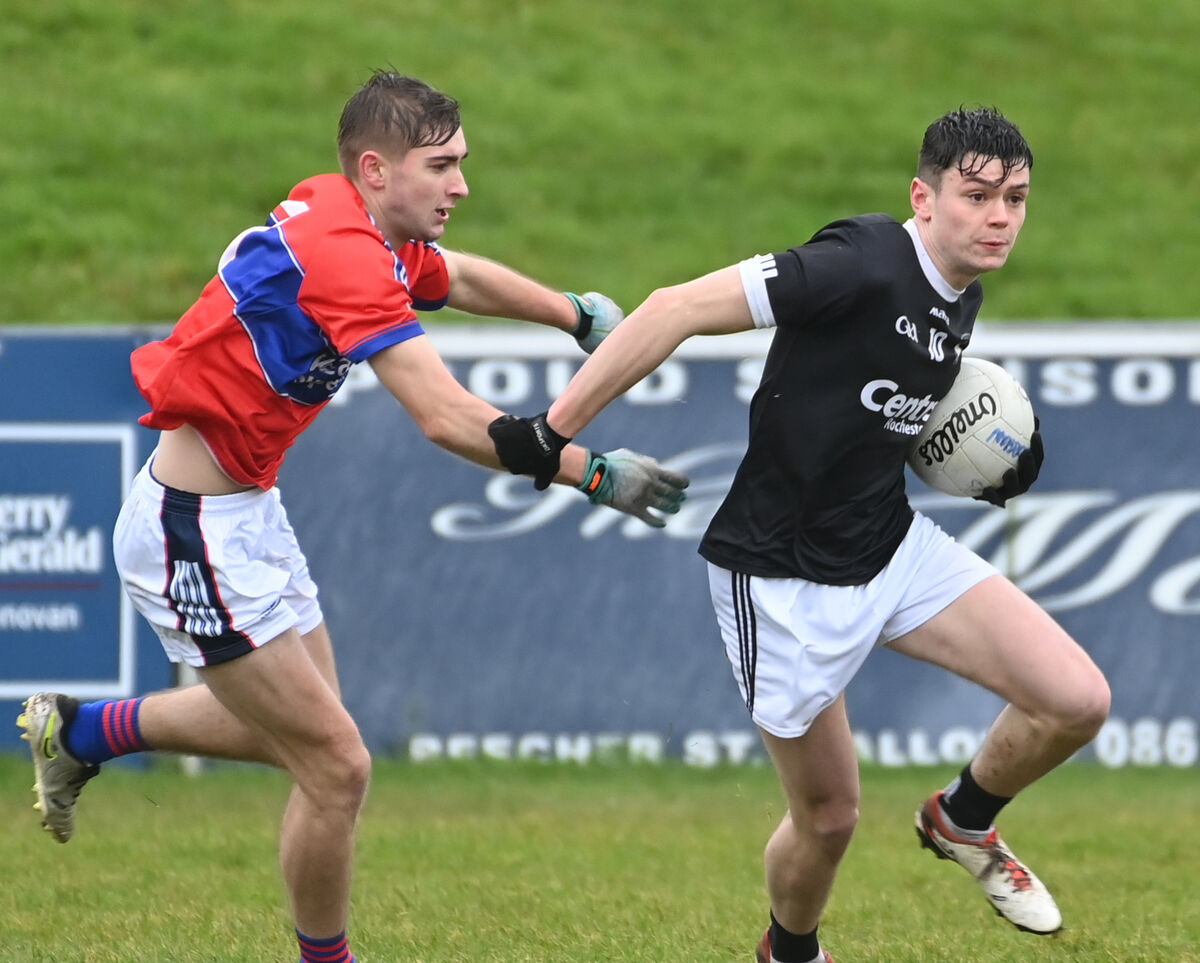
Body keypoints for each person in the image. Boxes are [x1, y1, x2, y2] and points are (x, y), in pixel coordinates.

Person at [16, 71, 687, 963]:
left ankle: (80, 730)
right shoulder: (342, 253)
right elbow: (448, 418)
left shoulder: (368, 229)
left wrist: (575, 313)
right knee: (338, 766)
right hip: (194, 529)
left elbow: (458, 278)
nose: (462, 186)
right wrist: (591, 471)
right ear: (377, 168)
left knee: (305, 734)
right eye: (442, 166)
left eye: (462, 165)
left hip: (246, 509)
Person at [488, 107, 1111, 962]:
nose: (999, 216)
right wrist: (554, 430)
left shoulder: (963, 291)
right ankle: (790, 949)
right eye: (976, 195)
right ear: (922, 199)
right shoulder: (859, 262)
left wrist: (990, 453)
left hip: (888, 545)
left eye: (1016, 197)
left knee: (1077, 700)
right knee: (829, 819)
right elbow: (674, 307)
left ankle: (962, 820)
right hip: (778, 576)